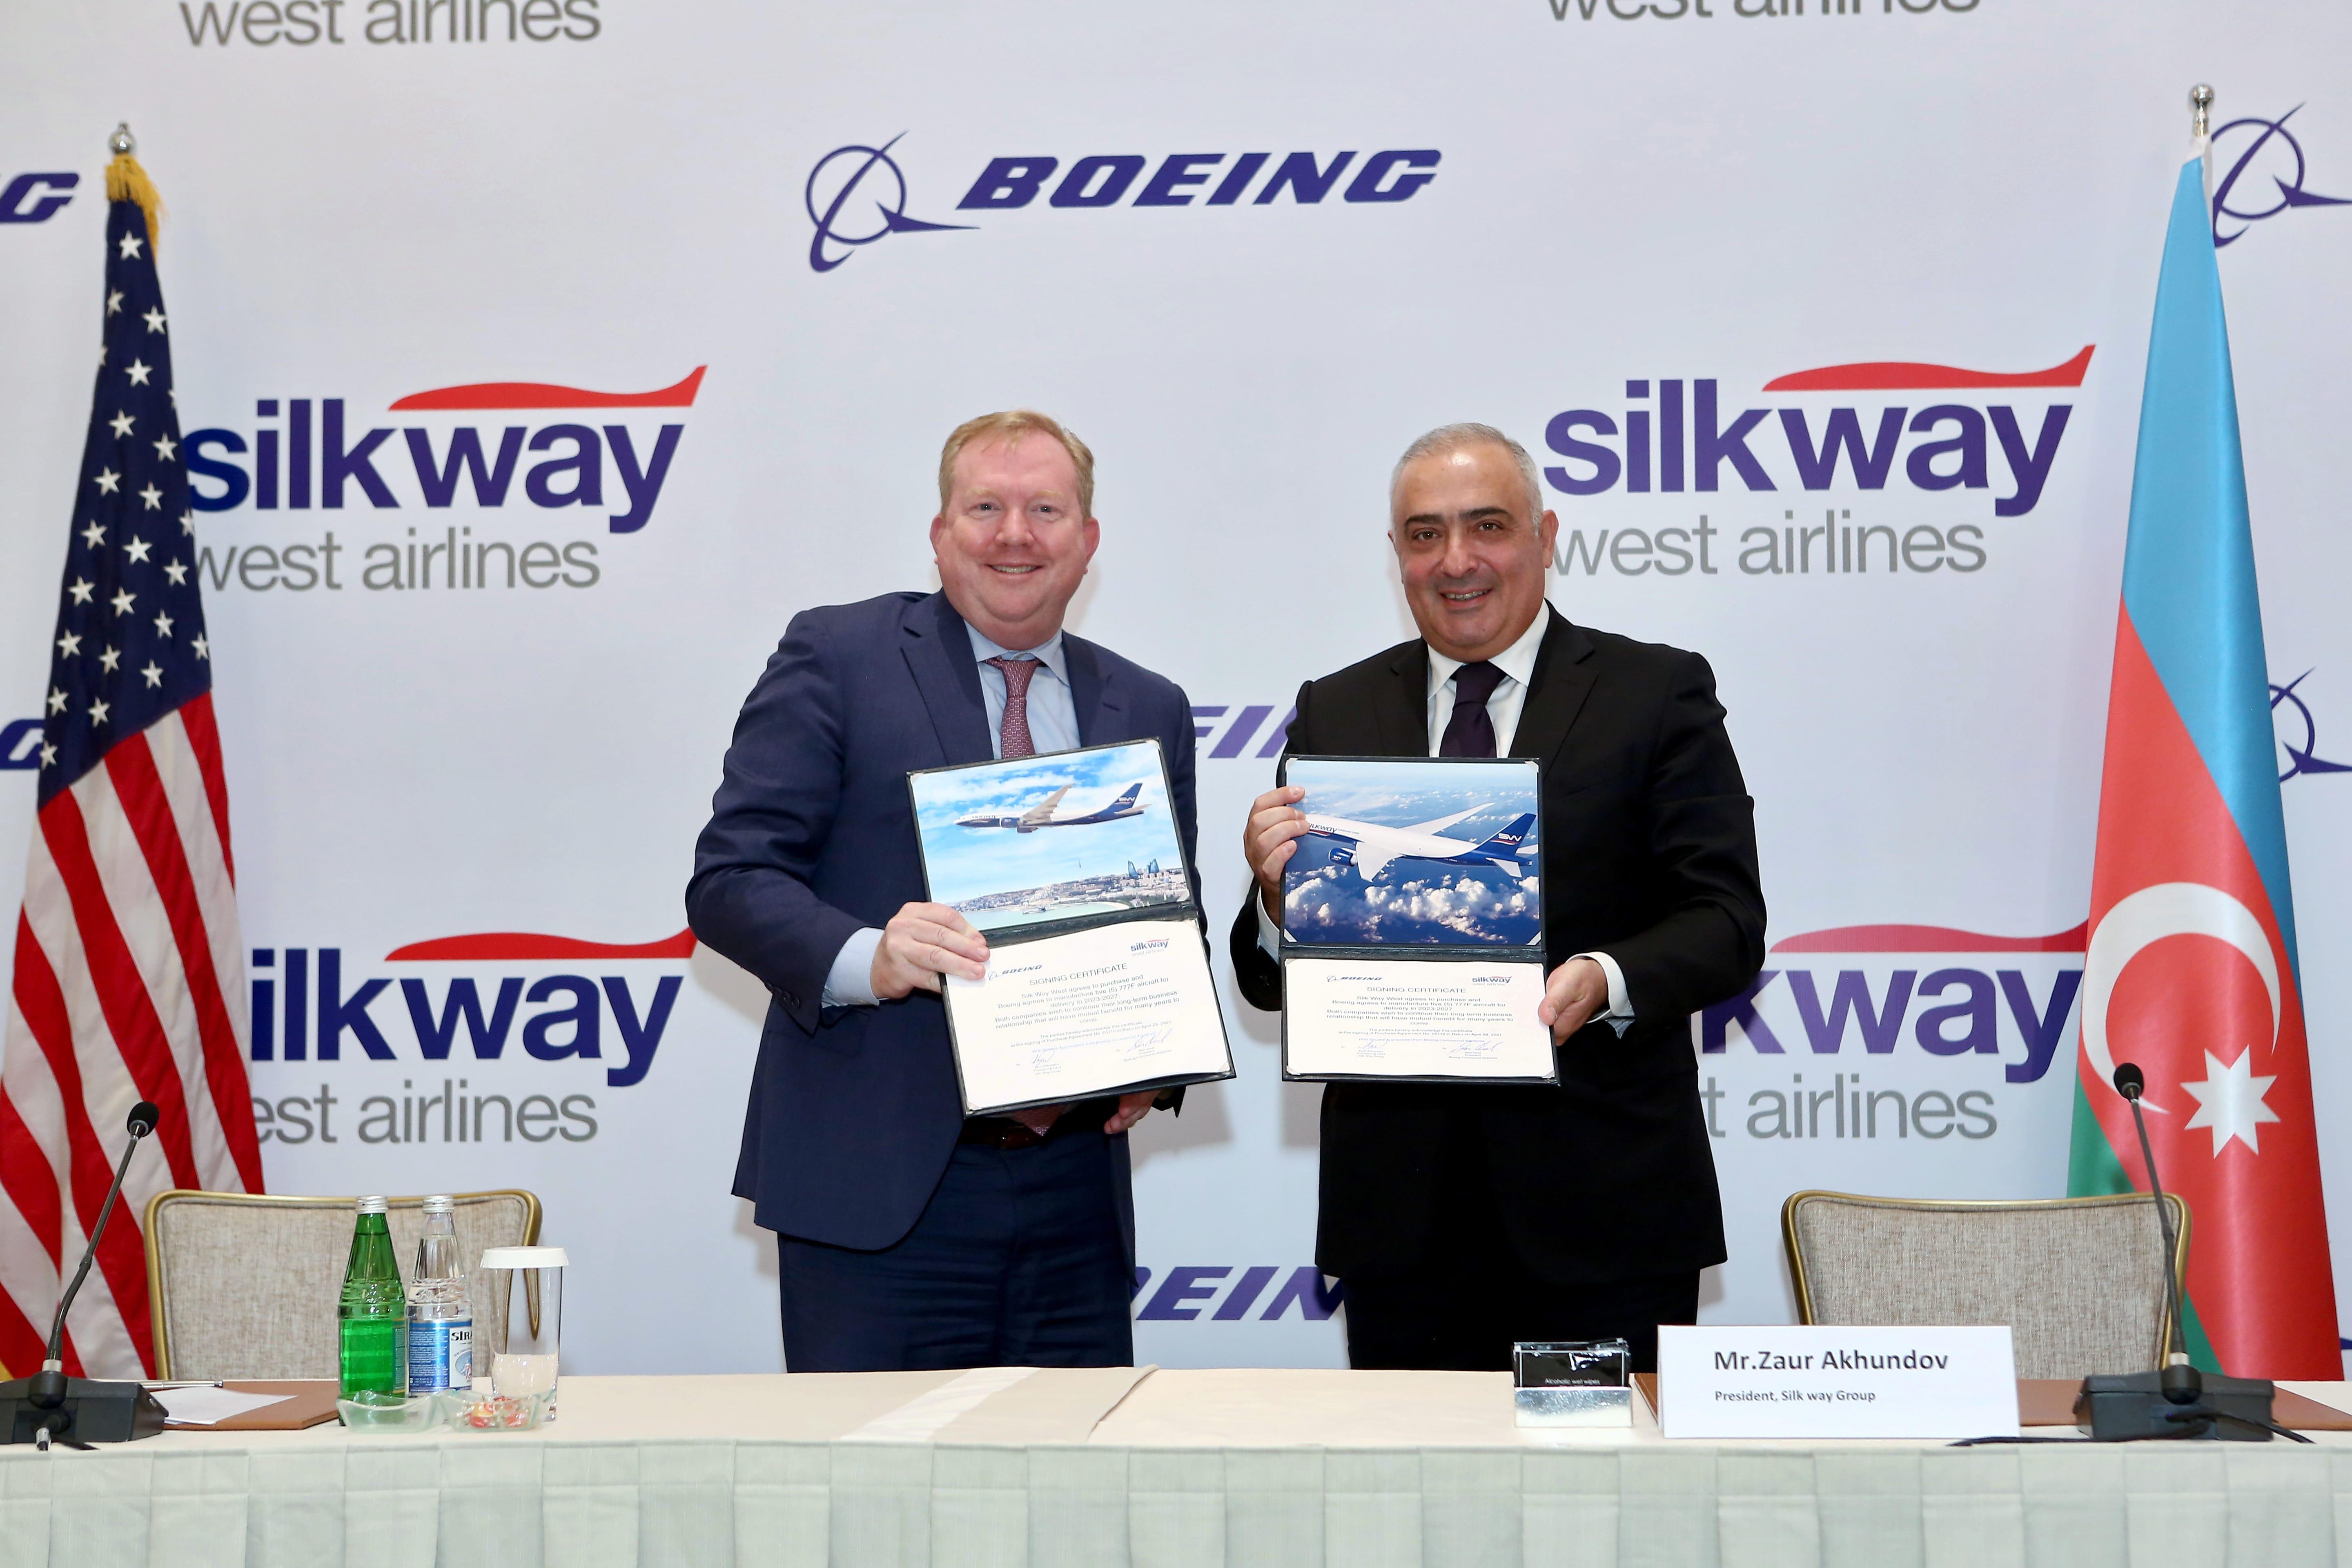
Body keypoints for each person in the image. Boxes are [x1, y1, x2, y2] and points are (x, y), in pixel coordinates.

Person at [1229, 423, 1765, 1373]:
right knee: (1415, 1474)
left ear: (1545, 537)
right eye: (1425, 534)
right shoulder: (1337, 707)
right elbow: (1271, 981)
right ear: (1397, 554)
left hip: (1605, 1214)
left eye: (1487, 526)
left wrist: (1603, 978)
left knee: (1603, 1474)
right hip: (1401, 1226)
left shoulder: (1655, 692)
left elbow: (1725, 923)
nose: (1457, 560)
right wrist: (1278, 901)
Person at [688, 410, 1197, 1372]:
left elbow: (1170, 918)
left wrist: (1155, 1053)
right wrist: (868, 958)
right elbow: (731, 878)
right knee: (876, 1472)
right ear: (940, 532)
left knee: (1066, 1467)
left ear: (1088, 539)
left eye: (1046, 510)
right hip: (877, 1185)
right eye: (986, 508)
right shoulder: (839, 654)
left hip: (1076, 1197)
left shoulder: (1150, 707)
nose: (1016, 535)